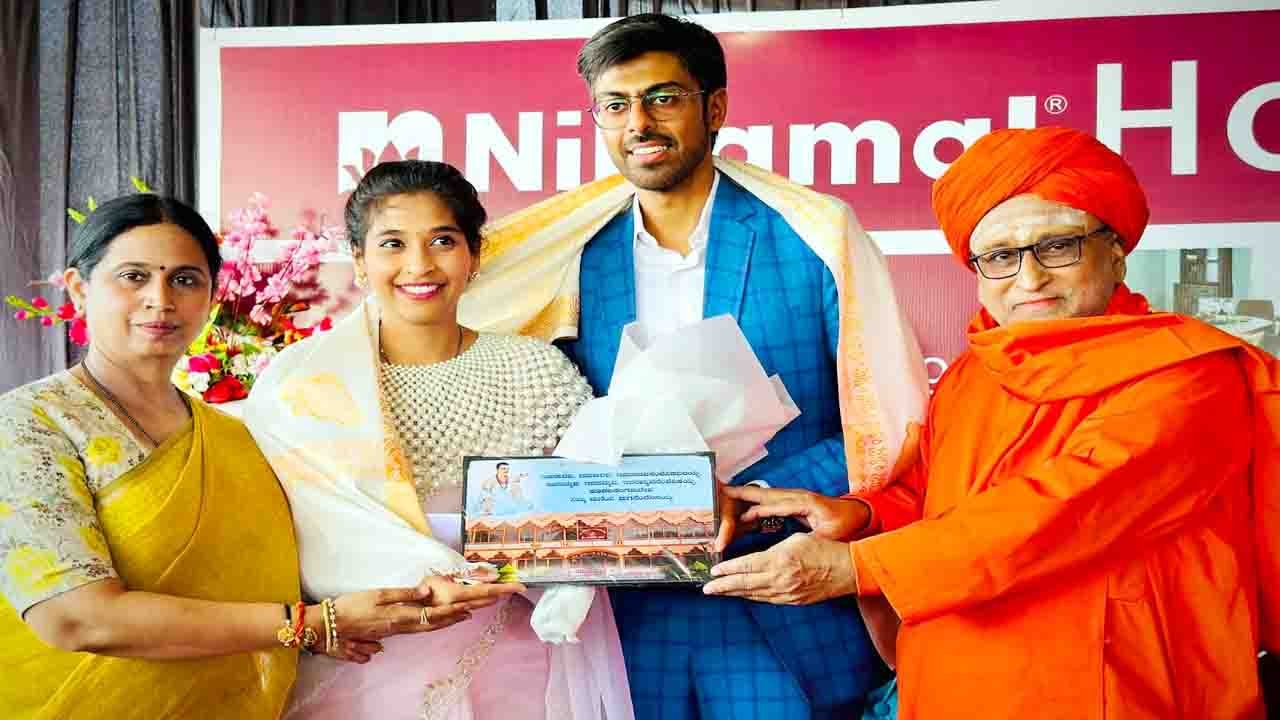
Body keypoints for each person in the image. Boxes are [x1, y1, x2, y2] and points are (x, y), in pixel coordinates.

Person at [703, 127, 1279, 719]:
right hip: (952, 680)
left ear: (1115, 251)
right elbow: (933, 493)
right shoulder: (972, 372)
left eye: (1058, 246)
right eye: (1001, 256)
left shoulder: (1188, 374)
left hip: (1114, 689)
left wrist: (858, 567)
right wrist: (859, 515)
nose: (1030, 279)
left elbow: (1057, 514)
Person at [456, 13, 928, 720]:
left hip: (780, 589)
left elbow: (884, 421)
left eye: (663, 98)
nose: (638, 123)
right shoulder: (570, 255)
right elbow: (532, 417)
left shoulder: (815, 234)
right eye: (615, 105)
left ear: (715, 107)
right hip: (628, 611)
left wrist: (752, 496)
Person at [0, 194, 484, 719]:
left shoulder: (239, 434)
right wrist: (309, 623)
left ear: (211, 298)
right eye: (133, 277)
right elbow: (74, 619)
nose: (160, 299)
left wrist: (381, 602)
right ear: (79, 288)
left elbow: (287, 573)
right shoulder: (33, 423)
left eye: (185, 280)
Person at [243, 160, 634, 720]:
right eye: (393, 244)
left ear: (474, 254)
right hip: (364, 660)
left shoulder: (535, 371)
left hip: (517, 661)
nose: (419, 265)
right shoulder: (300, 382)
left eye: (443, 241)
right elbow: (269, 537)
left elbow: (593, 515)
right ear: (359, 260)